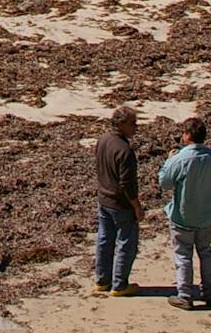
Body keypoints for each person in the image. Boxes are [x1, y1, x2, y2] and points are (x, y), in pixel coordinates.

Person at [160, 116, 211, 310]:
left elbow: (164, 183)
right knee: (205, 253)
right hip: (205, 214)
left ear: (187, 136)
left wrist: (169, 161)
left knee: (183, 254)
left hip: (183, 215)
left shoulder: (181, 158)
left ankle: (185, 295)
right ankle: (209, 292)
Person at [94, 104, 145, 296]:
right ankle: (119, 284)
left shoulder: (103, 140)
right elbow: (127, 184)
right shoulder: (124, 150)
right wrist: (137, 207)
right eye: (133, 123)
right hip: (120, 204)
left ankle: (102, 280)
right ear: (121, 124)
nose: (136, 127)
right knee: (126, 243)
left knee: (104, 240)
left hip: (104, 199)